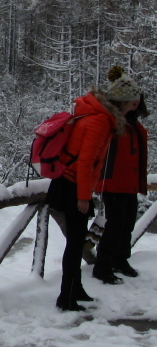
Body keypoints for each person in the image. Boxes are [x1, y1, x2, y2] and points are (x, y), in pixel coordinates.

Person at [45, 81, 124, 311]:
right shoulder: (99, 121)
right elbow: (86, 161)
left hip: (68, 183)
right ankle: (67, 297)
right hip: (72, 186)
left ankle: (74, 289)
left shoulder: (91, 115)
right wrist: (84, 196)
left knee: (76, 241)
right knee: (75, 243)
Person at [93, 66, 148, 284]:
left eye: (137, 98)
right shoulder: (111, 120)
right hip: (113, 181)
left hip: (129, 182)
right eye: (131, 99)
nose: (135, 102)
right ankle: (103, 265)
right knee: (115, 224)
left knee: (127, 224)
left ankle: (120, 260)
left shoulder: (133, 123)